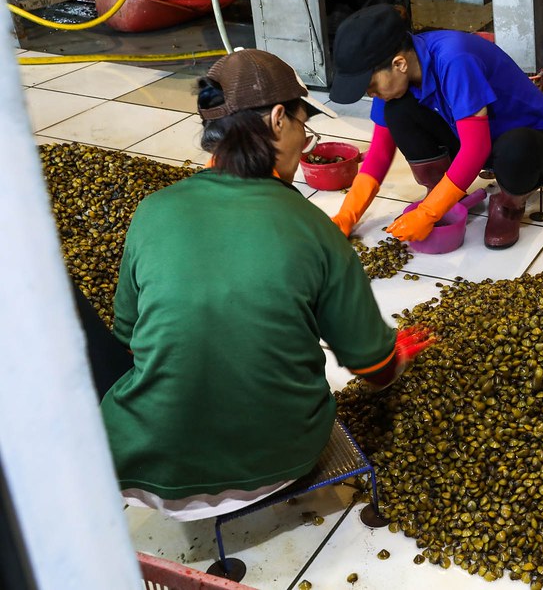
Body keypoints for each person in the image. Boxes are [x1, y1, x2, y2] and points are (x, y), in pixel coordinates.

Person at [83, 49, 431, 521]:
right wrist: (398, 360)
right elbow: (373, 366)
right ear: (278, 118)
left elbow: (126, 343)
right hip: (276, 464)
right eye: (305, 126)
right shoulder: (313, 230)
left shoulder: (153, 210)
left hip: (143, 468)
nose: (306, 139)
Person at [328, 4, 543, 249]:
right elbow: (379, 152)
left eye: (371, 86)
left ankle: (509, 205)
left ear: (399, 64)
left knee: (515, 149)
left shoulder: (455, 59)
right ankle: (443, 193)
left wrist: (428, 213)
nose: (371, 94)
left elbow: (477, 148)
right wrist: (347, 215)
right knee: (397, 111)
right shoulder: (398, 77)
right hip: (469, 136)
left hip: (529, 142)